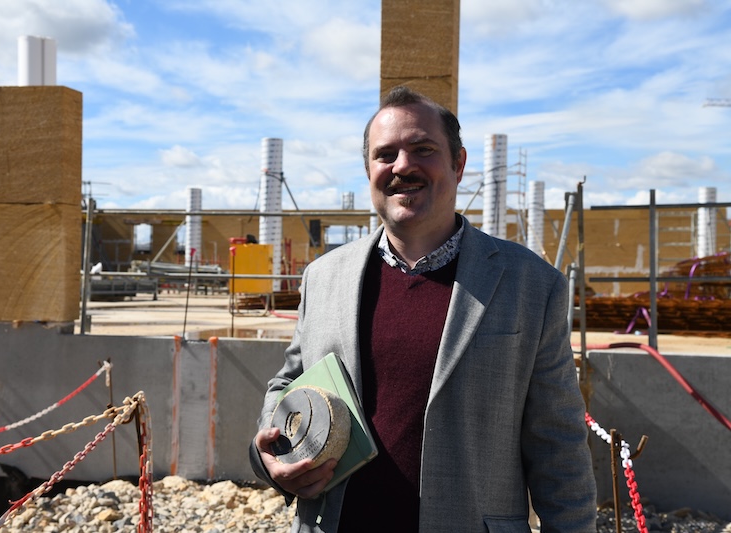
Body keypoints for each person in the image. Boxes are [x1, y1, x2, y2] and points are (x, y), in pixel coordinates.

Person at [250, 86, 597, 532]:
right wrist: (270, 455)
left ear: (459, 163)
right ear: (368, 169)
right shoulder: (323, 278)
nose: (402, 166)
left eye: (422, 149)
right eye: (385, 154)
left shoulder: (531, 285)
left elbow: (559, 449)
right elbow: (287, 383)